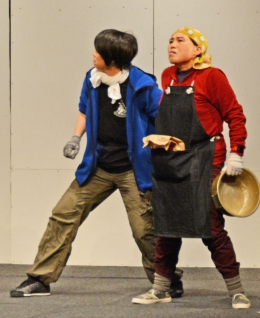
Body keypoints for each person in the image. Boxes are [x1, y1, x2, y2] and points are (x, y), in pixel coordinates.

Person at [10, 29, 183, 297]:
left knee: (144, 230)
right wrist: (75, 138)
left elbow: (165, 118)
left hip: (133, 170)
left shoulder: (143, 86)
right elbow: (84, 110)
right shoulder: (92, 80)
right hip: (98, 165)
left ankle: (167, 279)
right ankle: (40, 278)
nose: (93, 54)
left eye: (98, 51)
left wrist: (160, 151)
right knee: (63, 215)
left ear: (112, 59)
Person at [131, 26, 250, 309]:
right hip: (171, 161)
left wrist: (236, 153)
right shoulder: (167, 76)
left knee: (210, 226)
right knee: (166, 226)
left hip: (205, 158)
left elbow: (235, 115)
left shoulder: (212, 76)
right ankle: (161, 289)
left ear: (198, 49)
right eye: (170, 40)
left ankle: (237, 291)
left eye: (180, 40)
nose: (172, 45)